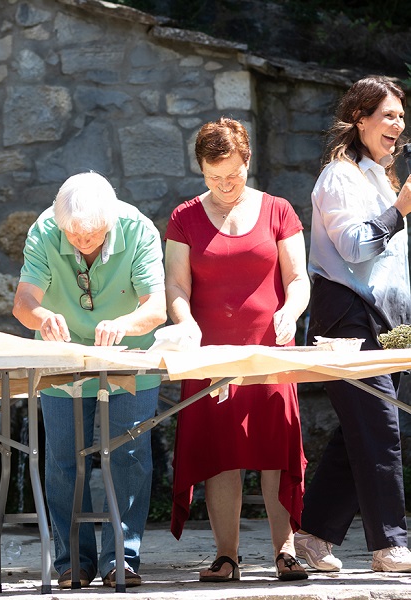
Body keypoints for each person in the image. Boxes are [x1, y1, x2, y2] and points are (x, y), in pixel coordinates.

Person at [164, 117, 310, 582]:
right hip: (210, 355)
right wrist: (185, 322)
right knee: (219, 453)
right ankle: (226, 555)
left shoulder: (279, 210)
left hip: (269, 349)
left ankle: (285, 551)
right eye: (214, 177)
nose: (225, 185)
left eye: (234, 174)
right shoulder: (184, 217)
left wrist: (291, 311)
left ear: (248, 161)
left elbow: (298, 278)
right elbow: (175, 285)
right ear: (201, 170)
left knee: (275, 449)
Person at [12, 171, 167, 589]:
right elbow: (24, 301)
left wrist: (123, 324)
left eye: (92, 234)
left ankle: (122, 558)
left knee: (130, 457)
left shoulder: (138, 229)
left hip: (129, 357)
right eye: (73, 234)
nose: (82, 241)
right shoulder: (45, 228)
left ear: (110, 221)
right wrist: (42, 317)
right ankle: (71, 562)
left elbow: (156, 308)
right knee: (63, 458)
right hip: (61, 359)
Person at [296, 76, 411, 573]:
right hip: (345, 318)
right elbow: (355, 248)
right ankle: (390, 545)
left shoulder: (382, 179)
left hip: (390, 323)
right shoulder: (339, 177)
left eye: (401, 116)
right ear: (360, 119)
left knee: (362, 431)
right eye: (388, 115)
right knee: (379, 428)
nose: (398, 124)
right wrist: (400, 210)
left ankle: (313, 535)